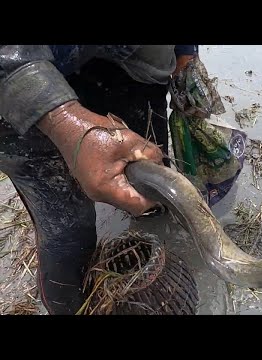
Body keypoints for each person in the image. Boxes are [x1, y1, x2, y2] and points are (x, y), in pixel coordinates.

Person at [0, 45, 198, 315]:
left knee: (150, 168)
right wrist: (63, 120)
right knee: (68, 230)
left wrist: (187, 52)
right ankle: (70, 306)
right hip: (14, 81)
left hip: (125, 56)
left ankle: (152, 226)